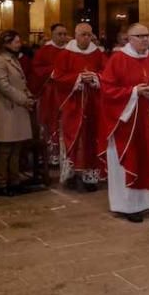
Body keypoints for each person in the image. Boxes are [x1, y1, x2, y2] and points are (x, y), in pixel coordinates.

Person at [99, 23, 149, 222]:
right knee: (129, 159)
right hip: (125, 123)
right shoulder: (118, 59)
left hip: (147, 119)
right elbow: (108, 89)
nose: (145, 39)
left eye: (147, 35)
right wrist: (135, 92)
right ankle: (125, 206)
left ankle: (146, 202)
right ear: (129, 39)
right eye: (140, 36)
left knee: (146, 159)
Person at [53, 22, 107, 190]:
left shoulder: (97, 53)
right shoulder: (66, 54)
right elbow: (58, 77)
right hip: (73, 104)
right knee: (74, 139)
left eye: (89, 35)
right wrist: (78, 78)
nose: (86, 38)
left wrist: (96, 77)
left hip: (93, 104)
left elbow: (108, 73)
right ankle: (72, 175)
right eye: (83, 34)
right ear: (75, 35)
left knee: (91, 139)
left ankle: (89, 177)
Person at [0, 30, 35, 197]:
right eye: (16, 41)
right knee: (5, 148)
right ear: (6, 43)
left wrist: (28, 94)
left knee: (17, 147)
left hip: (18, 109)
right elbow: (4, 86)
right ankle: (2, 183)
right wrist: (24, 99)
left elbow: (20, 82)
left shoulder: (13, 59)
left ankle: (15, 181)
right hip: (7, 109)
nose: (19, 44)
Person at [28, 23, 69, 165]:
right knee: (50, 122)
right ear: (52, 35)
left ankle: (66, 154)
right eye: (60, 34)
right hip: (50, 93)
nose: (63, 37)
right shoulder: (45, 50)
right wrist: (53, 71)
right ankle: (50, 156)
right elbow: (36, 69)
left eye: (65, 34)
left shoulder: (70, 50)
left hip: (67, 93)